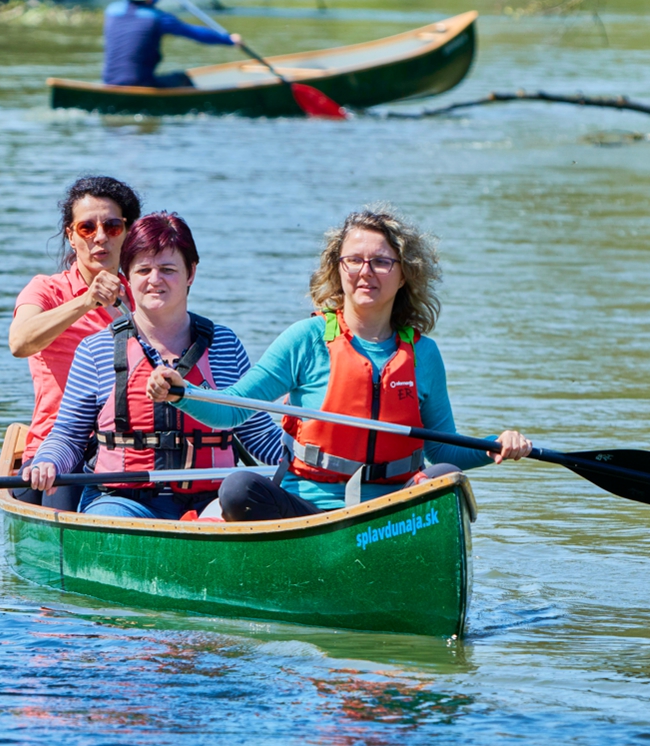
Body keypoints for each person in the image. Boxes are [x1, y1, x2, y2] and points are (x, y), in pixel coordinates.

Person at [147, 208, 533, 521]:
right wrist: (181, 392)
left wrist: (494, 448)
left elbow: (443, 450)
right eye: (354, 261)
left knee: (447, 480)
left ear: (404, 275)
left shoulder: (424, 355)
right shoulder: (306, 339)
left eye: (381, 262)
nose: (366, 272)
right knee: (237, 488)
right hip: (307, 511)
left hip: (391, 510)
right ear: (337, 269)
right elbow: (232, 410)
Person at [23, 212, 286, 519]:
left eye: (168, 269)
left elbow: (259, 435)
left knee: (232, 514)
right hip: (122, 500)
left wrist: (315, 465)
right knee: (114, 519)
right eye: (143, 270)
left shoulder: (224, 345)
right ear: (127, 277)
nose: (154, 280)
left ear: (191, 274)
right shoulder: (96, 349)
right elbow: (68, 436)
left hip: (211, 502)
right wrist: (48, 462)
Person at [8, 176, 141, 509]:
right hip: (56, 448)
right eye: (87, 228)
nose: (100, 238)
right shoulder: (45, 290)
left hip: (129, 449)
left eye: (112, 226)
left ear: (127, 232)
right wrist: (85, 302)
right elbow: (20, 342)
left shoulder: (145, 294)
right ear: (71, 235)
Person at [103, 0, 241, 89]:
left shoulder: (111, 11)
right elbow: (195, 33)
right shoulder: (159, 19)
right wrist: (229, 40)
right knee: (182, 79)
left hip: (110, 83)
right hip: (141, 84)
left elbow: (141, 6)